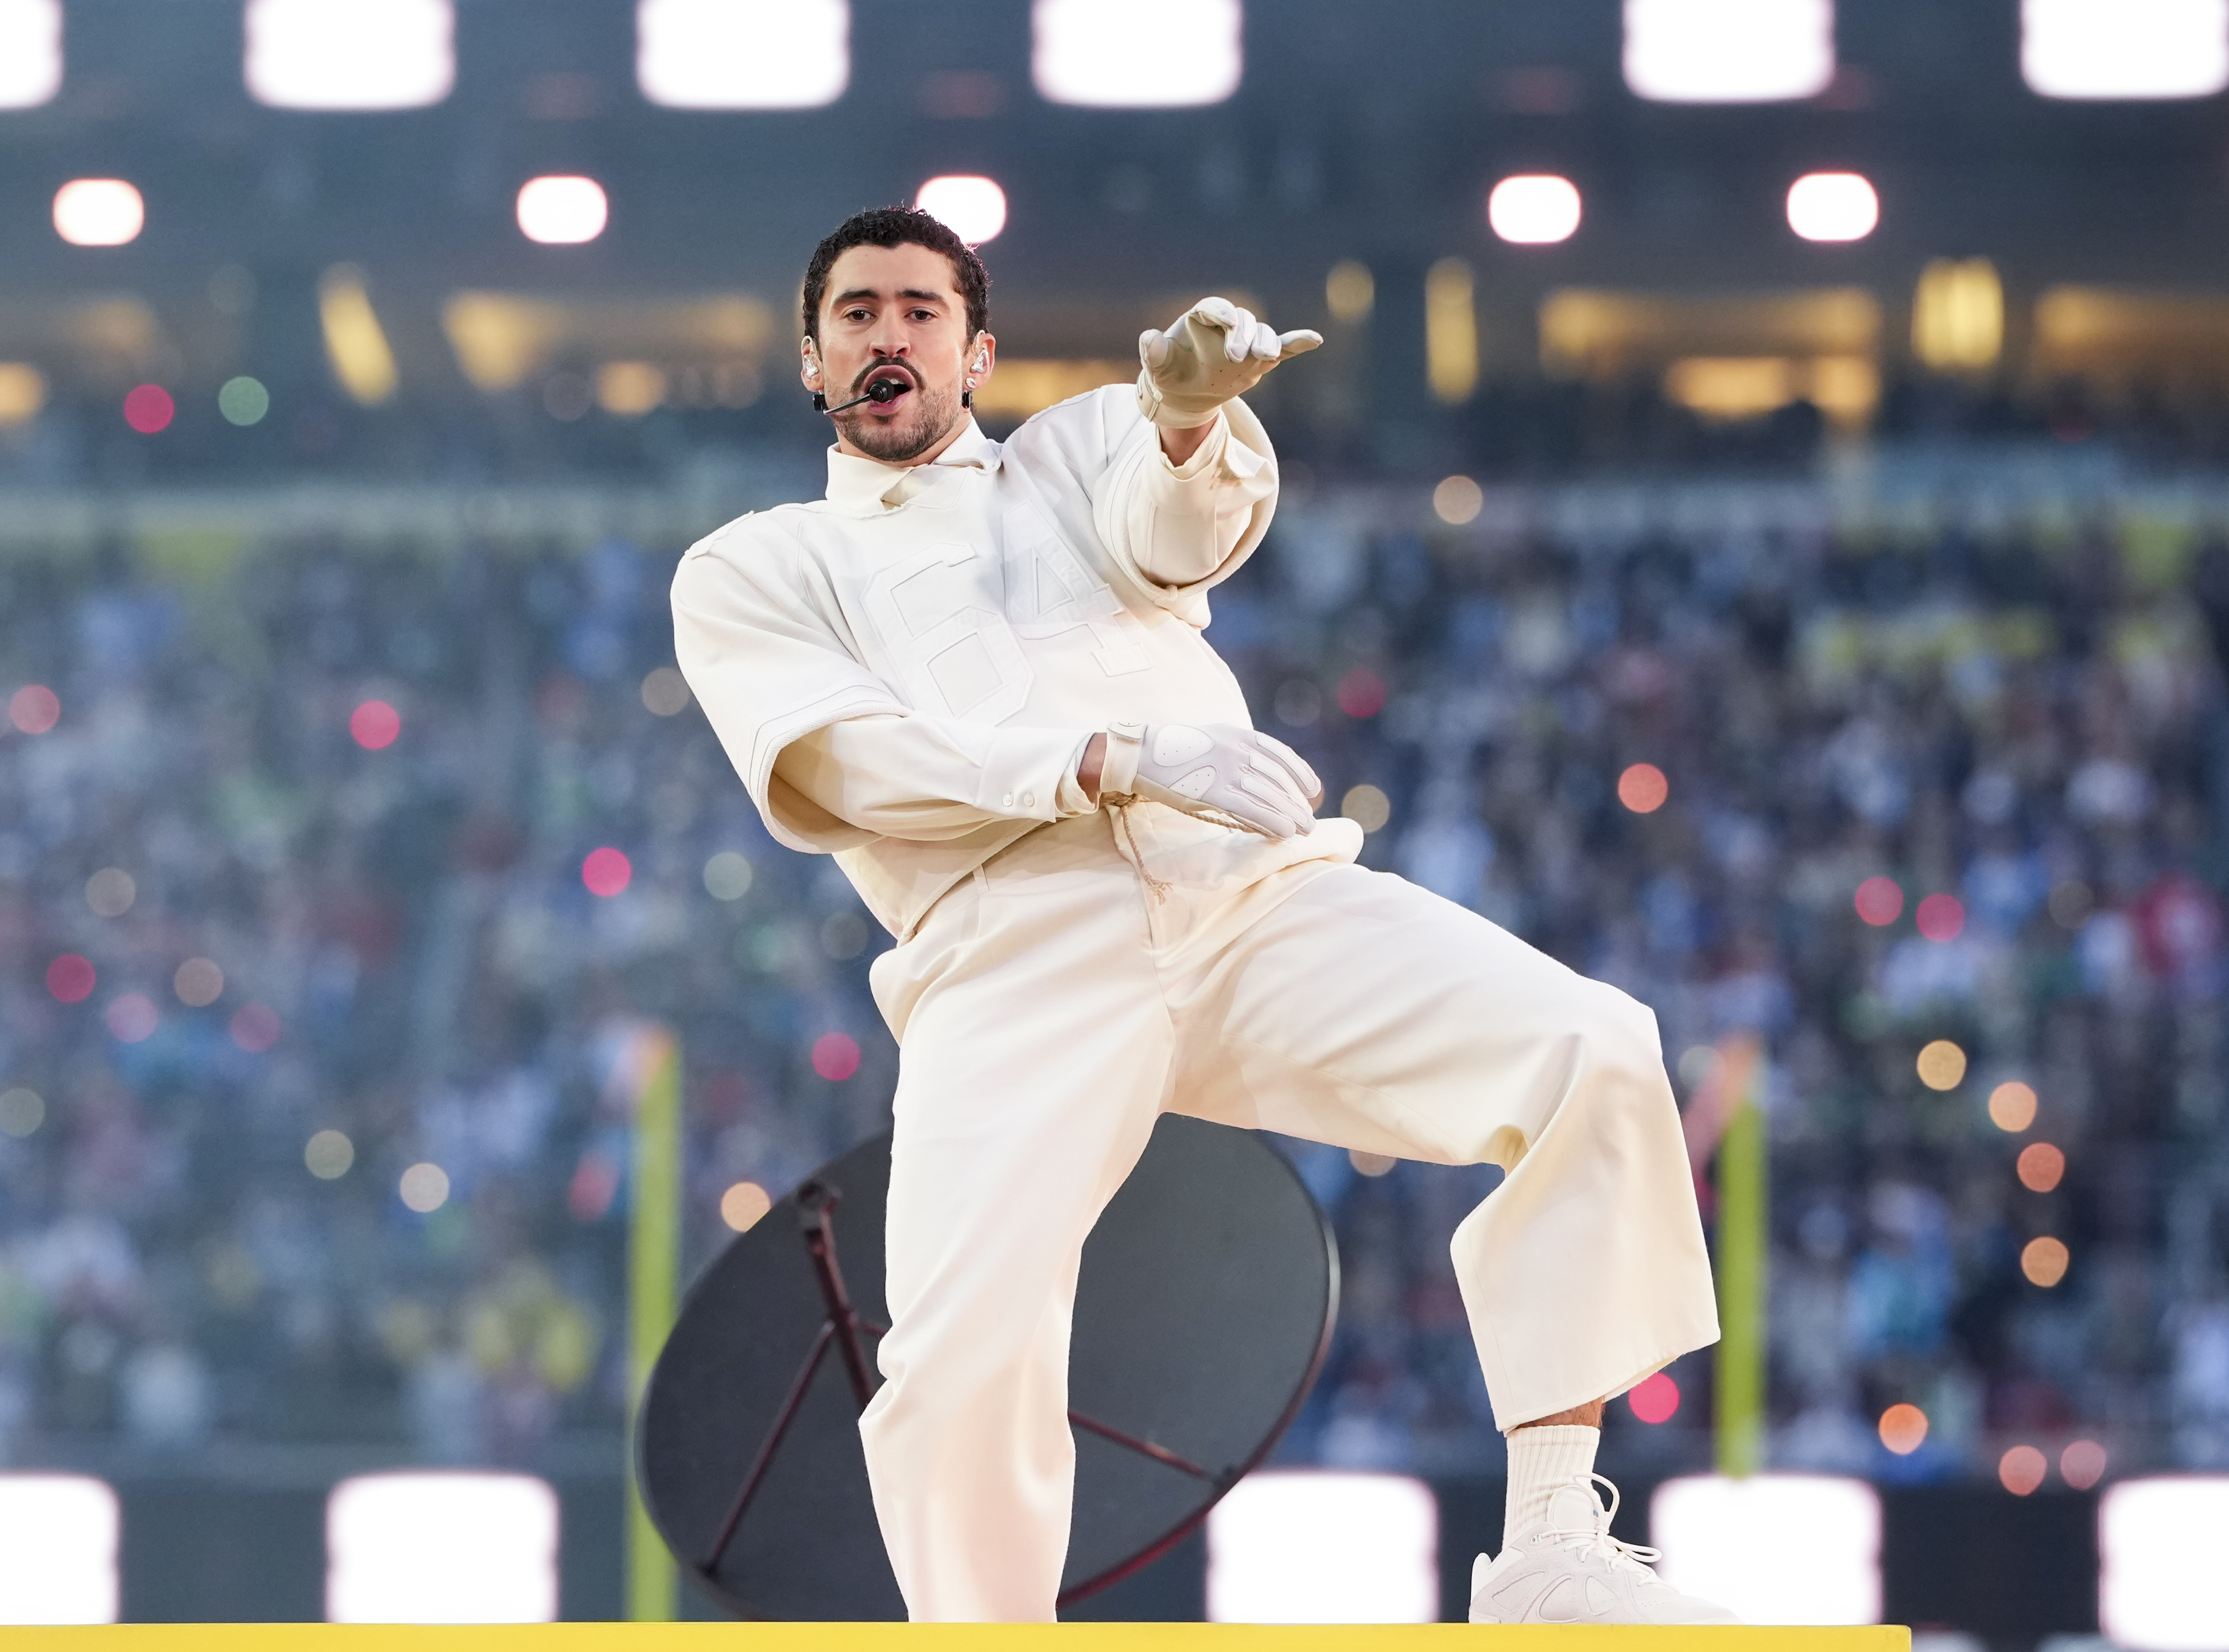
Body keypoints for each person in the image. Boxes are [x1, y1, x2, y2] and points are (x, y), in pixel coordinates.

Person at [671, 205, 1733, 1626]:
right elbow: (843, 764)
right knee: (954, 1354)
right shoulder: (755, 565)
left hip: (1241, 893)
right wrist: (1103, 758)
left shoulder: (1071, 451)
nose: (888, 335)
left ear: (975, 354)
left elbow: (1178, 535)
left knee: (1590, 1048)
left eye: (921, 311)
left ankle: (1548, 1547)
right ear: (811, 360)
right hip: (1012, 947)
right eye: (856, 313)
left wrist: (1180, 423)